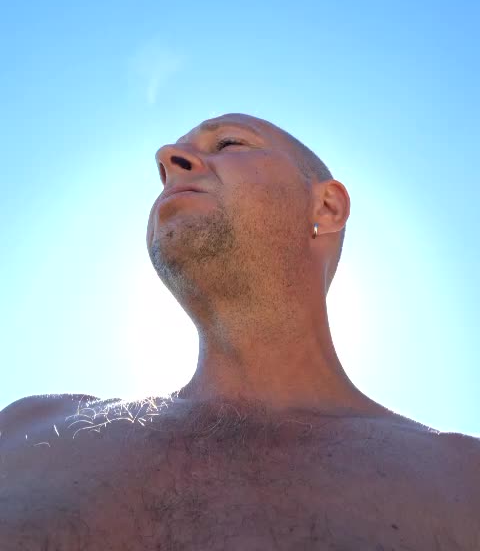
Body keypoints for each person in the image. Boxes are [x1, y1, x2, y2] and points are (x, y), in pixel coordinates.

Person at [1, 112, 478, 551]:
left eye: (228, 143)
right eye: (165, 168)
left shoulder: (464, 478)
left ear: (327, 207)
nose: (168, 158)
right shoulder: (25, 429)